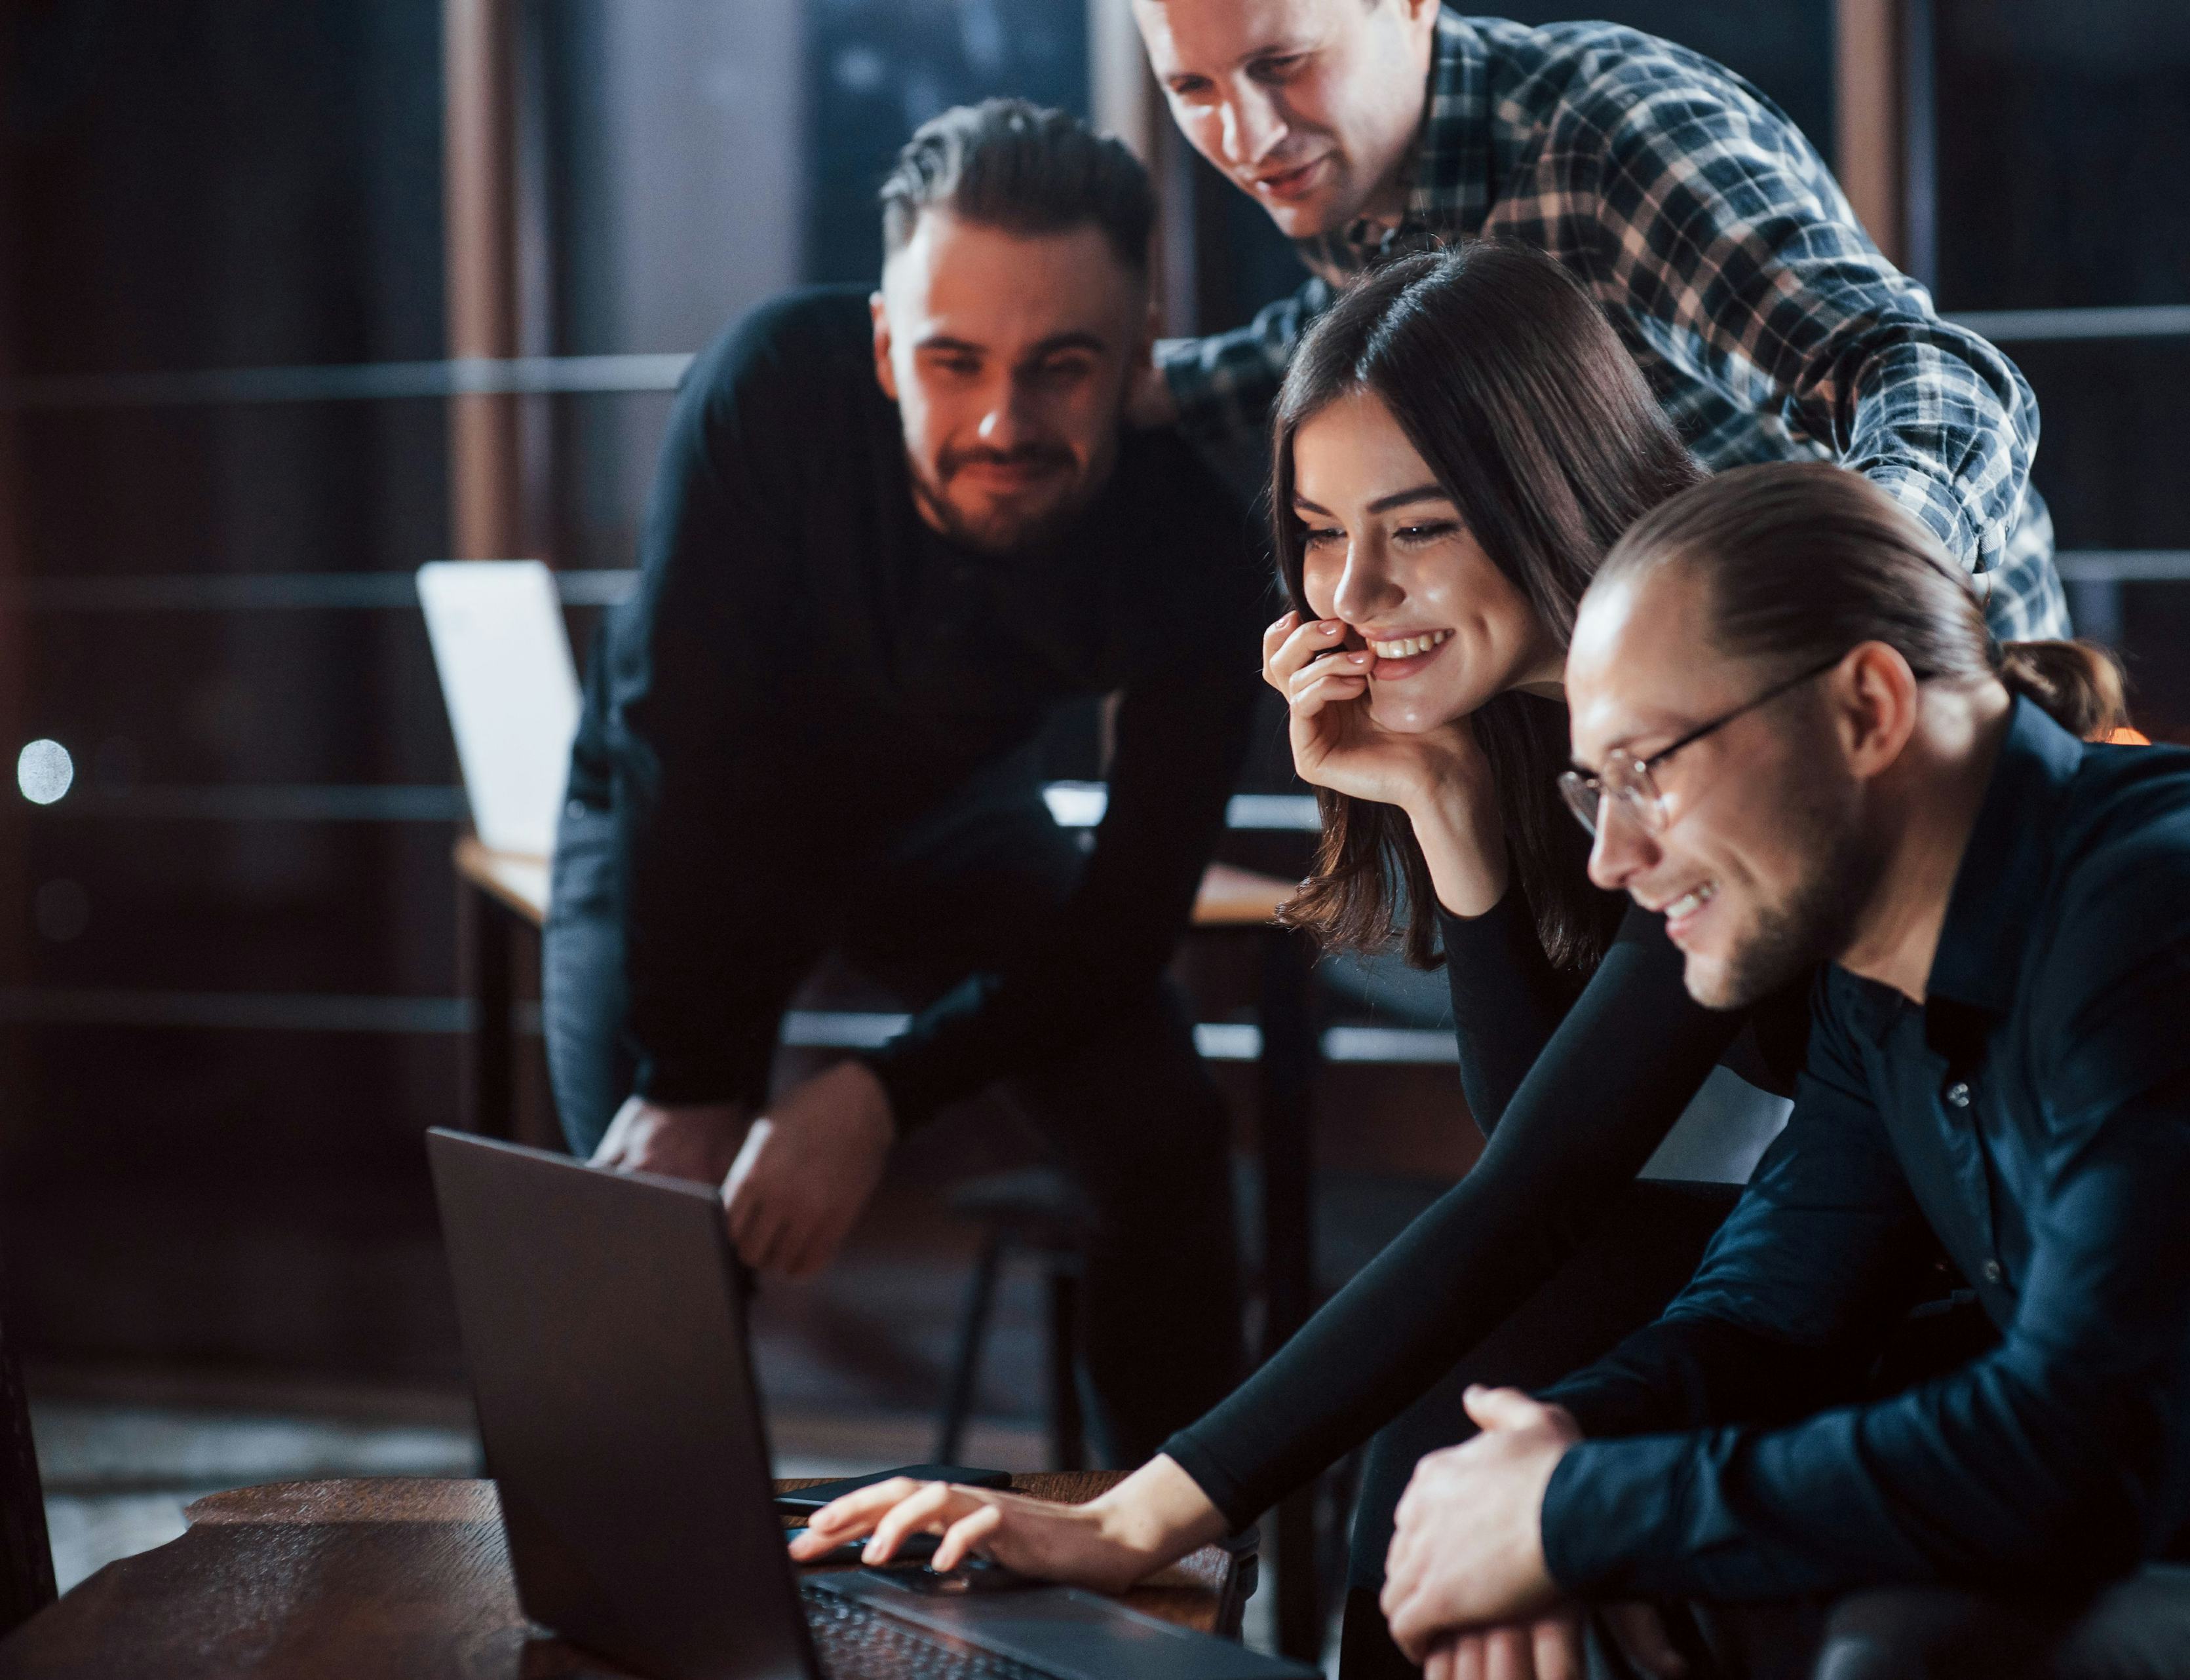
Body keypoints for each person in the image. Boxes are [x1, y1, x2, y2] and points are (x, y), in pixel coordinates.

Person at [792, 244, 2088, 1674]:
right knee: (1465, 1402)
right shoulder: (1533, 722)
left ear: (1549, 491)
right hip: (1787, 1250)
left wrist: (1139, 1510)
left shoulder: (1716, 722)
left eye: (1418, 530)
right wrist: (1448, 808)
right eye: (1316, 529)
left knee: (1477, 1382)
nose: (1354, 591)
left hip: (1940, 1296)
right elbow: (1551, 1126)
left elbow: (1541, 1181)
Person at [1375, 462, 2190, 1679]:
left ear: (1868, 708)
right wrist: (1553, 1450)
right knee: (1595, 1566)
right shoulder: (1884, 963)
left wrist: (1572, 1512)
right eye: (1592, 786)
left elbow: (2074, 1462)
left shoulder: (2185, 909)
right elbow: (1772, 1314)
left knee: (1924, 1652)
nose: (1612, 856)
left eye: (1648, 768)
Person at [541, 100, 1261, 1463]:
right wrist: (699, 1079)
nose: (1004, 420)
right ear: (884, 348)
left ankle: (1164, 1578)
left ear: (1137, 358)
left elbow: (1128, 916)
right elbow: (678, 752)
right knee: (646, 1218)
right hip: (688, 809)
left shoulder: (1196, 529)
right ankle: (651, 1622)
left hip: (949, 819)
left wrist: (878, 1091)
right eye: (953, 361)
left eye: (1062, 367)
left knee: (1162, 1135)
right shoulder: (768, 387)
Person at [1130, 0, 2066, 643]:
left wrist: (1849, 581)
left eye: (1281, 65)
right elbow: (1337, 327)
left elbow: (1928, 371)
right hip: (1672, 698)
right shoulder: (1357, 177)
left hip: (1929, 673)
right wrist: (1129, 391)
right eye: (1193, 92)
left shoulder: (1613, 141)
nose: (1247, 141)